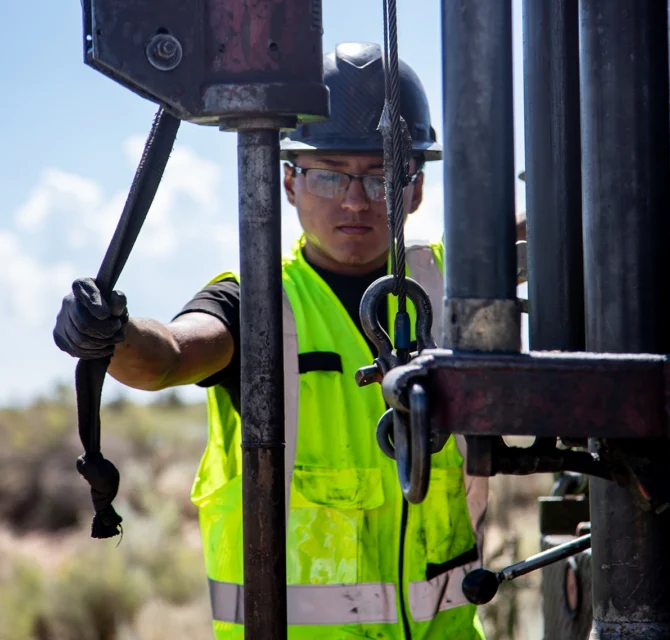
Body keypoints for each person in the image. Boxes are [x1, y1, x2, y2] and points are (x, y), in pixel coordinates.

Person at [54, 42, 523, 640]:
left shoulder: (452, 285)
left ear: (416, 189)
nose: (354, 199)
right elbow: (166, 356)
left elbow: (552, 231)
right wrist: (111, 333)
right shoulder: (255, 304)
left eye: (380, 174)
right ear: (289, 183)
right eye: (329, 174)